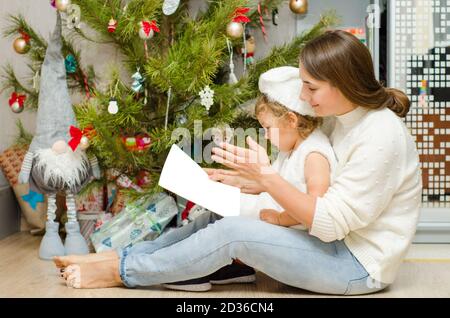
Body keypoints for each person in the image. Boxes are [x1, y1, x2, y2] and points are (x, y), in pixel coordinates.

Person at [56, 30, 421, 295]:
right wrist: (258, 183)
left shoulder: (380, 136)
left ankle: (122, 271)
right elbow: (311, 192)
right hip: (331, 244)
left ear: (342, 83)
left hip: (355, 264)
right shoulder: (342, 119)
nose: (302, 97)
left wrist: (267, 179)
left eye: (311, 87)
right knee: (221, 215)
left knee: (234, 233)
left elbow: (328, 223)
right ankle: (124, 255)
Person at [226, 66, 337, 228]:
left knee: (223, 224)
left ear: (291, 120)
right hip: (269, 212)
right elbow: (276, 183)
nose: (266, 136)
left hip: (288, 229)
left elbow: (316, 206)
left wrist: (280, 219)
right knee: (215, 214)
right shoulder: (291, 149)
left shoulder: (314, 155)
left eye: (268, 128)